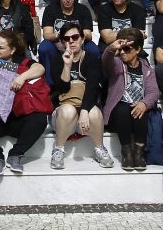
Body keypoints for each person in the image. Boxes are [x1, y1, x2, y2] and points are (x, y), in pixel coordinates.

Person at [0, 29, 48, 177]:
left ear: (13, 49)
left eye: (1, 47)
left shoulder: (23, 62)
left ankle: (16, 154)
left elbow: (40, 68)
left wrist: (22, 77)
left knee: (40, 118)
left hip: (17, 118)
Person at [48, 22, 114, 170]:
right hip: (62, 114)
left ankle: (99, 149)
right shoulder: (56, 60)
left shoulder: (91, 58)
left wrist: (84, 111)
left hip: (84, 112)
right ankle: (58, 149)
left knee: (95, 113)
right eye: (66, 38)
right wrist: (67, 65)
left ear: (83, 39)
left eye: (75, 37)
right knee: (68, 110)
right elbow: (61, 89)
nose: (71, 41)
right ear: (62, 42)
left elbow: (92, 88)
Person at [102, 27, 160, 171]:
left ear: (138, 49)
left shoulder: (147, 68)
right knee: (123, 109)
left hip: (138, 111)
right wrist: (111, 48)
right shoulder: (116, 63)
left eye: (127, 49)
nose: (122, 52)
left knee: (141, 110)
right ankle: (127, 153)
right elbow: (106, 60)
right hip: (118, 113)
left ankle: (138, 153)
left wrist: (144, 103)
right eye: (121, 48)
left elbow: (153, 91)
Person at [38, 0, 97, 69]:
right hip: (57, 44)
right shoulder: (50, 9)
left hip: (78, 44)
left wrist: (74, 37)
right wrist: (63, 36)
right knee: (44, 47)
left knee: (93, 49)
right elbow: (47, 34)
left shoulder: (83, 9)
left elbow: (88, 35)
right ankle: (49, 81)